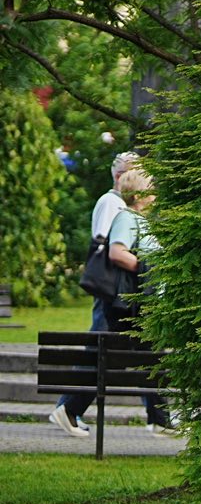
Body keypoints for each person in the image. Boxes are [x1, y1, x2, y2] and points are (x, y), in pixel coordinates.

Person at [49, 151, 138, 437]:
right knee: (98, 349)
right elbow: (103, 241)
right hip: (110, 288)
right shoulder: (111, 202)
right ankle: (68, 409)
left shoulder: (119, 203)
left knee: (100, 349)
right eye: (135, 174)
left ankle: (68, 408)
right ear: (120, 176)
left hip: (114, 289)